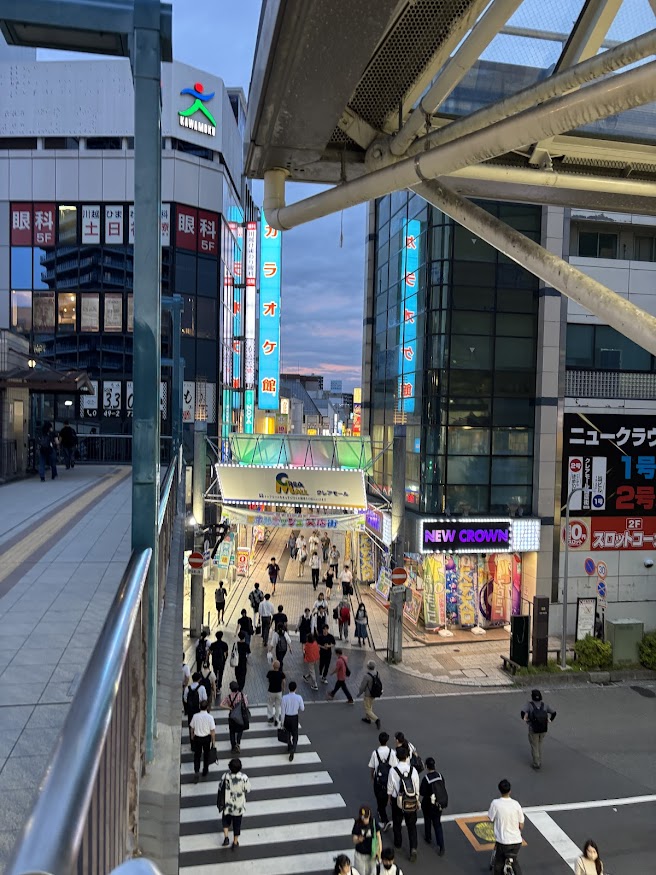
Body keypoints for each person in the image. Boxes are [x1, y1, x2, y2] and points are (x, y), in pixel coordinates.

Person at [387, 745, 420, 862]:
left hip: (398, 802)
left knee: (397, 823)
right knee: (412, 826)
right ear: (407, 757)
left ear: (397, 757)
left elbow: (390, 787)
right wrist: (416, 798)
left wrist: (389, 798)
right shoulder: (413, 770)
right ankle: (413, 848)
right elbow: (416, 786)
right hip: (411, 801)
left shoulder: (393, 770)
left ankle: (398, 843)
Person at [488, 779, 524, 875]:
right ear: (510, 791)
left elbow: (490, 818)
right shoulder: (516, 804)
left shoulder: (495, 803)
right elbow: (521, 824)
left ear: (500, 790)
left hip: (503, 842)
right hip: (517, 841)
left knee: (498, 864)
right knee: (514, 861)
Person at [218, 757, 251, 849]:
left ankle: (226, 837)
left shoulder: (225, 776)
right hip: (238, 806)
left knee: (225, 821)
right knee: (237, 824)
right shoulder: (244, 778)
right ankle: (235, 842)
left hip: (227, 804)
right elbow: (248, 789)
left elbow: (220, 787)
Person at [521, 688, 556, 770]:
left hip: (533, 729)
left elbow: (522, 713)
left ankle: (536, 763)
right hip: (543, 729)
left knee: (534, 746)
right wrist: (550, 720)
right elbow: (554, 713)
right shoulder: (545, 705)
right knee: (539, 744)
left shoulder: (529, 705)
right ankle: (539, 759)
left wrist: (525, 719)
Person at [369, 731, 398, 832]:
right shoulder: (392, 753)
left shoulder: (375, 753)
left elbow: (372, 767)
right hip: (389, 780)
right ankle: (385, 812)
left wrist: (372, 777)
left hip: (379, 781)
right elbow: (395, 767)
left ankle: (384, 819)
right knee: (388, 798)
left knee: (379, 800)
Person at [419, 757, 447, 856]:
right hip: (438, 804)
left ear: (426, 766)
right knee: (437, 824)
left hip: (428, 804)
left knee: (427, 820)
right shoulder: (440, 776)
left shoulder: (426, 779)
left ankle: (428, 837)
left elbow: (422, 792)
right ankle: (441, 846)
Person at [189, 700, 216, 782]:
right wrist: (213, 742)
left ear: (199, 707)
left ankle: (196, 771)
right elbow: (212, 731)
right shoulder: (210, 717)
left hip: (197, 738)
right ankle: (205, 769)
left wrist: (192, 736)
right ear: (207, 707)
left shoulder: (195, 716)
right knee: (206, 754)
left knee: (197, 755)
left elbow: (192, 728)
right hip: (206, 738)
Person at [352, 804, 382, 875]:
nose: (364, 820)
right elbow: (354, 839)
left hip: (372, 854)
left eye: (366, 817)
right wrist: (358, 839)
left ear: (369, 815)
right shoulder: (357, 824)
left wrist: (379, 852)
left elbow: (378, 837)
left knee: (373, 873)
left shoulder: (373, 823)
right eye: (362, 818)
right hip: (360, 854)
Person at [221, 681, 249, 753]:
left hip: (232, 716)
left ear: (230, 689)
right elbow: (246, 705)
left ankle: (233, 745)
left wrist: (230, 708)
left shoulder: (229, 697)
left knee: (232, 731)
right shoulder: (242, 695)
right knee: (240, 729)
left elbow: (221, 704)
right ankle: (238, 743)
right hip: (240, 716)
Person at [281, 680, 305, 761]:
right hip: (294, 717)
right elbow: (302, 708)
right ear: (296, 689)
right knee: (295, 734)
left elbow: (283, 711)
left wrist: (282, 722)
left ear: (289, 688)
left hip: (287, 717)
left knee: (287, 733)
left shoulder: (284, 698)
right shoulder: (299, 697)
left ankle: (289, 746)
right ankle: (293, 749)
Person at [358, 660, 381, 728]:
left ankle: (376, 719)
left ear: (368, 667)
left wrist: (360, 693)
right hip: (374, 693)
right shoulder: (377, 673)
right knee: (370, 706)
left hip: (368, 694)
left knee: (367, 709)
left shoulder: (367, 676)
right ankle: (368, 719)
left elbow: (362, 686)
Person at [266, 659, 286, 726]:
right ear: (279, 666)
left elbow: (268, 681)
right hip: (279, 691)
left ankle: (270, 717)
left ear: (273, 666)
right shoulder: (281, 674)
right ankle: (277, 719)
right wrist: (283, 689)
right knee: (277, 706)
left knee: (270, 704)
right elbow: (284, 682)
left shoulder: (270, 673)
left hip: (271, 691)